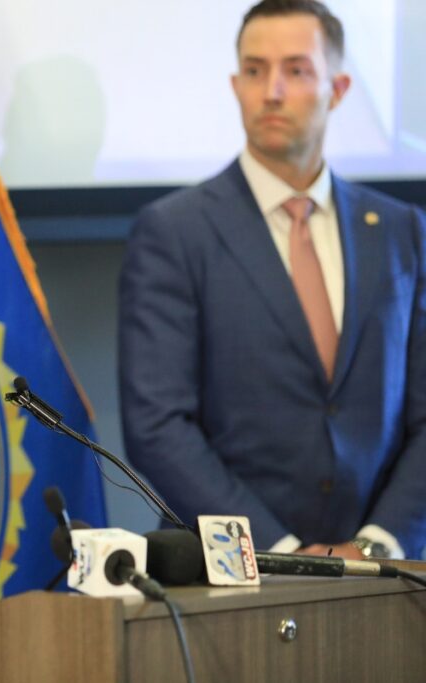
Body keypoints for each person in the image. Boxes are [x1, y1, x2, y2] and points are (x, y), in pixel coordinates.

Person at [118, 0, 426, 561]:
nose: (273, 91)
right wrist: (281, 552)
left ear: (338, 88)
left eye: (297, 70)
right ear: (235, 86)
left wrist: (375, 544)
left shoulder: (402, 231)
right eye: (255, 71)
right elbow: (157, 425)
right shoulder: (174, 232)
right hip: (230, 578)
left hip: (388, 579)